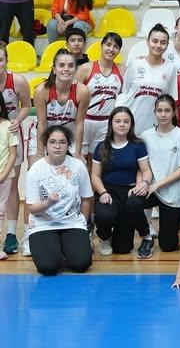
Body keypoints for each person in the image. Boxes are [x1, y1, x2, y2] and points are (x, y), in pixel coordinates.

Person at [25, 125, 93, 275]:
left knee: (81, 264)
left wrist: (82, 223)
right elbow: (32, 208)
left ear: (68, 145)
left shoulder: (78, 166)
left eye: (62, 142)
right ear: (46, 145)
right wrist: (48, 203)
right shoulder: (36, 169)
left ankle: (67, 248)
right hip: (44, 224)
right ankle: (56, 249)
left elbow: (86, 199)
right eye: (53, 142)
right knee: (47, 268)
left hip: (72, 223)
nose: (57, 146)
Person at [91, 107, 154, 258]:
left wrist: (144, 183)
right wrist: (103, 192)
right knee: (104, 216)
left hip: (129, 192)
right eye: (118, 121)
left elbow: (146, 170)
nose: (122, 124)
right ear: (111, 124)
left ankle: (136, 234)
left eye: (126, 121)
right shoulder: (101, 146)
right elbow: (95, 175)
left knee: (123, 248)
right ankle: (104, 238)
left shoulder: (137, 145)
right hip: (108, 191)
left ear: (131, 124)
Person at [140, 95, 180, 252]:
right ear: (155, 112)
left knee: (167, 245)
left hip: (173, 193)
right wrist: (144, 183)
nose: (163, 114)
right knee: (131, 203)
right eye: (159, 110)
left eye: (167, 110)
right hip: (151, 189)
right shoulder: (146, 135)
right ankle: (146, 235)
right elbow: (142, 165)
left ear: (174, 112)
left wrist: (158, 184)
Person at [116, 24, 178, 134]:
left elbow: (171, 100)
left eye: (163, 43)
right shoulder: (135, 63)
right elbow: (125, 93)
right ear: (147, 42)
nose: (158, 45)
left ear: (167, 45)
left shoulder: (171, 68)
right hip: (131, 125)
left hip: (155, 128)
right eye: (154, 41)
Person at [33, 49, 89, 160]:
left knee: (77, 167)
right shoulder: (41, 91)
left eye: (71, 65)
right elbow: (42, 124)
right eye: (62, 65)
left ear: (76, 69)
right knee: (36, 168)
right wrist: (40, 153)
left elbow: (79, 124)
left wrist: (78, 152)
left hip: (68, 136)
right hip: (42, 135)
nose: (66, 69)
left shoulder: (83, 91)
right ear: (54, 69)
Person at [0, 44, 30, 255]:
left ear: (7, 60)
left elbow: (27, 105)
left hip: (9, 135)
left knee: (10, 185)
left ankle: (11, 234)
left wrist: (16, 121)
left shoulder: (17, 81)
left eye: (0, 59)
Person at [76, 33, 125, 158]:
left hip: (106, 123)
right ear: (101, 46)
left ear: (119, 51)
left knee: (97, 163)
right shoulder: (86, 68)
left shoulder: (122, 70)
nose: (111, 49)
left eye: (115, 46)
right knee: (80, 162)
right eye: (108, 44)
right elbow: (74, 95)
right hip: (84, 121)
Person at [0, 93, 18, 261]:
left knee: (0, 212)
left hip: (4, 177)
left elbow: (13, 154)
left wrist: (4, 175)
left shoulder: (9, 126)